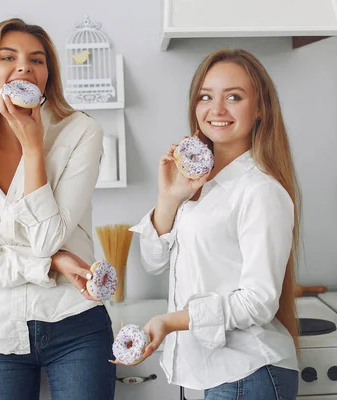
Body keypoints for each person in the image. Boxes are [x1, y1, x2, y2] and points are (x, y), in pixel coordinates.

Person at [0, 18, 115, 400]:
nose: (24, 67)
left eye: (36, 60)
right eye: (8, 57)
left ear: (47, 77)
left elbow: (47, 237)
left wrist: (34, 148)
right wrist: (50, 263)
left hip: (76, 326)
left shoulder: (80, 132)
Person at [129, 48, 301, 400]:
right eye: (205, 96)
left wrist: (171, 320)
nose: (216, 109)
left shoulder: (260, 190)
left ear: (260, 110)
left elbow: (258, 302)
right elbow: (154, 261)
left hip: (249, 372)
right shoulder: (197, 185)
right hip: (225, 376)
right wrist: (169, 197)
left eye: (234, 97)